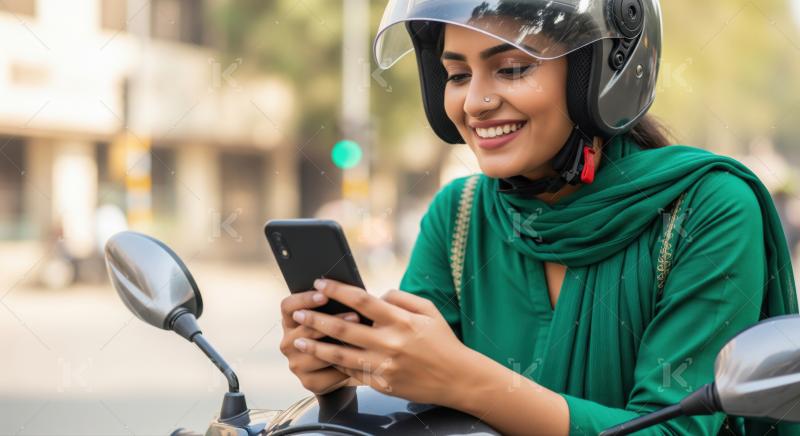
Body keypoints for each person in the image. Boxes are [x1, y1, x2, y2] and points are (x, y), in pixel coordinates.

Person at [279, 1, 800, 434]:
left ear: (597, 73)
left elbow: (672, 429)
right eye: (457, 74)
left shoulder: (708, 207)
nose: (476, 102)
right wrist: (352, 368)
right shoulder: (458, 214)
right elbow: (420, 411)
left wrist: (468, 381)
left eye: (511, 68)